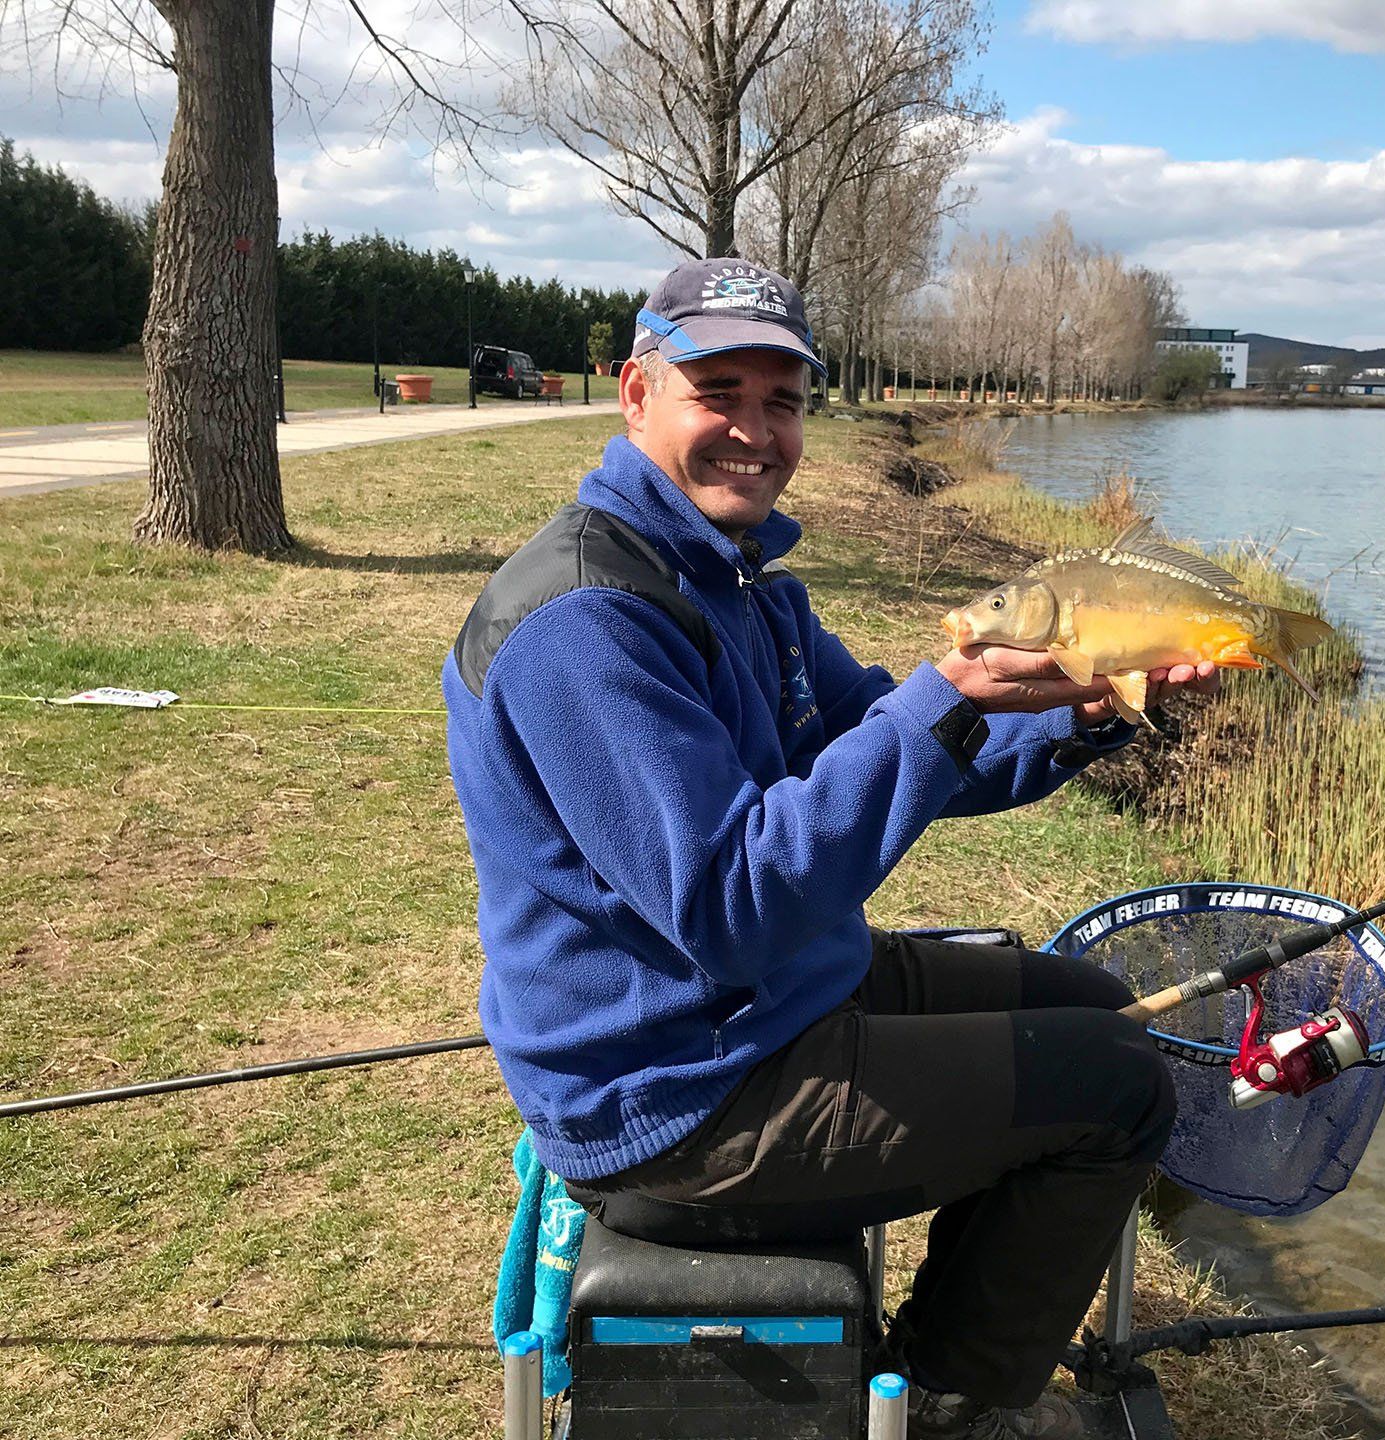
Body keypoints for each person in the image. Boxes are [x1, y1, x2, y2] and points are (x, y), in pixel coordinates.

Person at [443, 258, 1216, 1440]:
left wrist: (1090, 708)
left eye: (784, 399)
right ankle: (955, 1408)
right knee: (1119, 1092)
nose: (755, 431)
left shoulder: (744, 586)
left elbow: (897, 754)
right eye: (721, 391)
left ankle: (949, 1346)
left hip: (771, 998)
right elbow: (734, 901)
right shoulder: (585, 625)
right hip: (678, 1094)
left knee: (1100, 1006)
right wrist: (946, 701)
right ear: (635, 391)